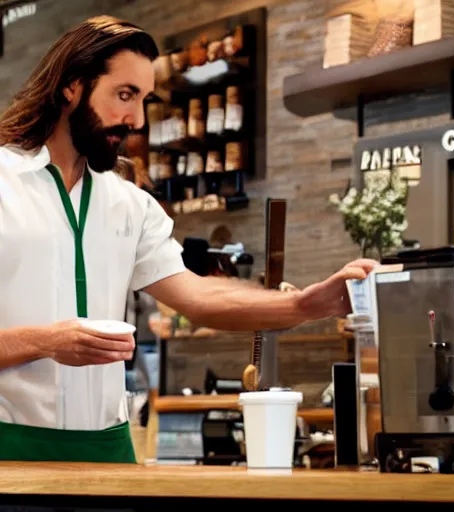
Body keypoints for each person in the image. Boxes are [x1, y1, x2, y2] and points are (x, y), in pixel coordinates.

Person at [0, 15, 377, 464]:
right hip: (9, 447)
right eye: (124, 95)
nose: (136, 120)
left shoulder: (129, 204)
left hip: (108, 451)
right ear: (72, 86)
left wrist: (305, 305)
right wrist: (43, 342)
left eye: (143, 99)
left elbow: (196, 295)